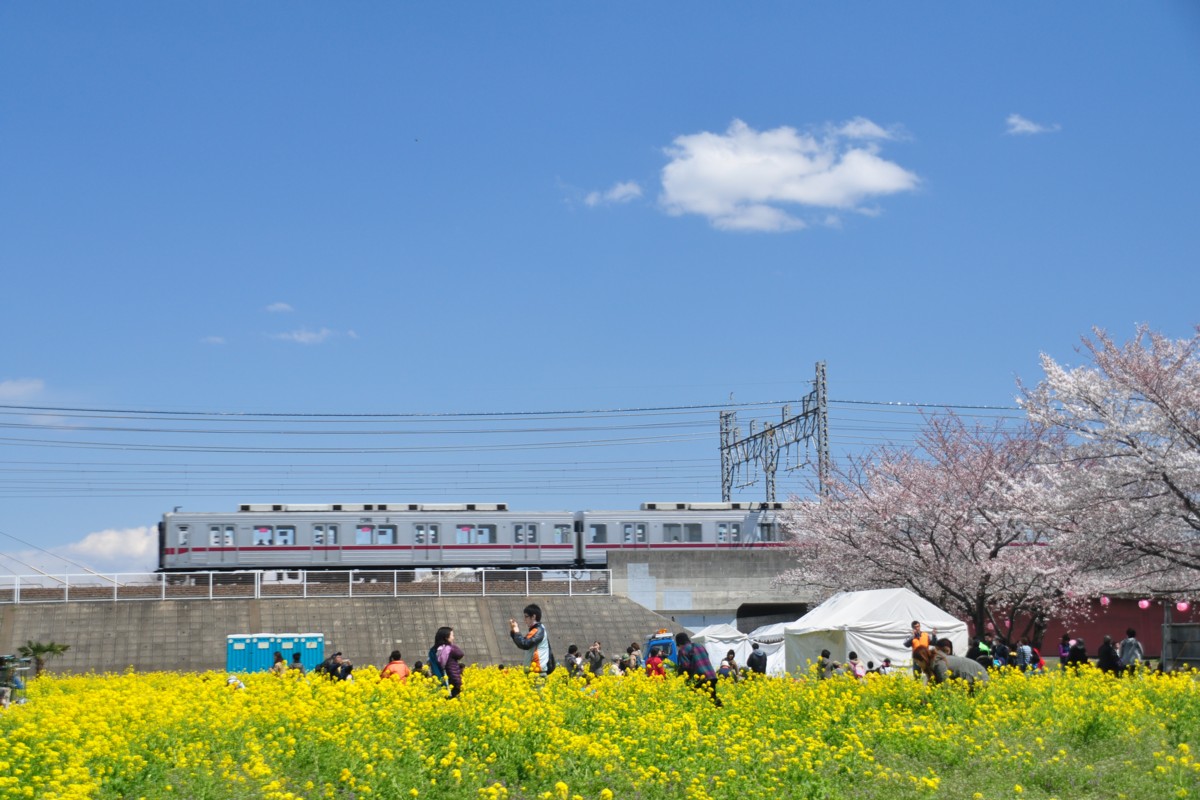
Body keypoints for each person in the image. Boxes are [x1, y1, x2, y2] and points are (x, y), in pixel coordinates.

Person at [675, 632, 722, 706]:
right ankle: (721, 711)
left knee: (698, 702)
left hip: (699, 678)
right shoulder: (700, 646)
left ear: (679, 644)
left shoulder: (683, 650)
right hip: (711, 675)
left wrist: (679, 676)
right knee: (712, 698)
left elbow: (685, 667)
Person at [914, 645, 988, 690]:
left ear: (923, 660)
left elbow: (945, 686)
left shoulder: (938, 664)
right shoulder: (932, 664)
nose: (918, 665)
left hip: (977, 675)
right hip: (970, 677)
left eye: (917, 662)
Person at [509, 603, 554, 675]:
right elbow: (522, 642)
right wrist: (514, 631)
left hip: (537, 672)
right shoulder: (536, 630)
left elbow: (525, 644)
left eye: (526, 617)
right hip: (534, 672)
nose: (525, 620)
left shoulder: (538, 630)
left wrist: (516, 630)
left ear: (533, 617)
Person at [434, 626, 464, 699]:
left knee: (447, 698)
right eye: (452, 635)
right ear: (446, 638)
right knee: (455, 699)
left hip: (445, 677)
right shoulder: (450, 649)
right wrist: (451, 645)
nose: (453, 638)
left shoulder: (439, 649)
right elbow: (460, 654)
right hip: (454, 678)